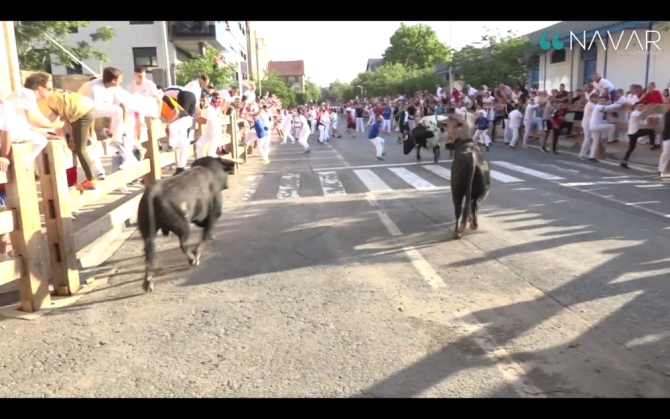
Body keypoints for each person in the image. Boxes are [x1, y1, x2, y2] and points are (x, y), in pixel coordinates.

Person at [26, 73, 98, 191]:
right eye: (49, 89)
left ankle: (91, 180)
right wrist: (69, 137)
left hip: (81, 111)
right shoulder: (50, 98)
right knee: (76, 146)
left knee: (80, 148)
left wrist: (63, 140)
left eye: (50, 88)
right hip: (84, 108)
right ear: (39, 88)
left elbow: (56, 124)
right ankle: (77, 180)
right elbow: (63, 118)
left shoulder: (43, 101)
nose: (51, 91)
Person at [78, 67, 138, 171]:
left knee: (118, 111)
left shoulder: (113, 87)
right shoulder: (94, 88)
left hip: (94, 109)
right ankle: (97, 171)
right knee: (92, 141)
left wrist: (119, 129)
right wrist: (91, 133)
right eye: (120, 79)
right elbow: (88, 112)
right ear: (113, 80)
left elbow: (123, 106)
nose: (122, 81)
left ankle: (118, 142)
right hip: (80, 110)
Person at [159, 91, 192, 175]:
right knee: (183, 145)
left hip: (184, 119)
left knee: (171, 126)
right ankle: (181, 168)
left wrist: (168, 122)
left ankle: (172, 146)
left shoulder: (165, 98)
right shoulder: (158, 103)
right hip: (180, 122)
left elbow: (176, 111)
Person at [0, 99, 17, 261]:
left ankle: (2, 253)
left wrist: (3, 156)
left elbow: (6, 133)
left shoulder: (4, 106)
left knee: (2, 209)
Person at [621, 102, 656, 169]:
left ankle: (624, 161)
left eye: (642, 106)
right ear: (635, 107)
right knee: (651, 131)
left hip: (633, 132)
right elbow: (642, 117)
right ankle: (652, 145)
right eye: (639, 106)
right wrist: (650, 110)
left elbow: (643, 115)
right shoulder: (635, 112)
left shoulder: (637, 112)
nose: (641, 107)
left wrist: (650, 110)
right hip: (634, 133)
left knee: (631, 148)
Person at [195, 91, 223, 159]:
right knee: (199, 144)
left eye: (203, 100)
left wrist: (193, 119)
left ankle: (221, 164)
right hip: (209, 132)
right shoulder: (207, 108)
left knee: (211, 153)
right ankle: (200, 161)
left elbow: (204, 121)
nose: (202, 102)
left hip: (216, 134)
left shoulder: (210, 108)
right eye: (201, 101)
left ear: (207, 99)